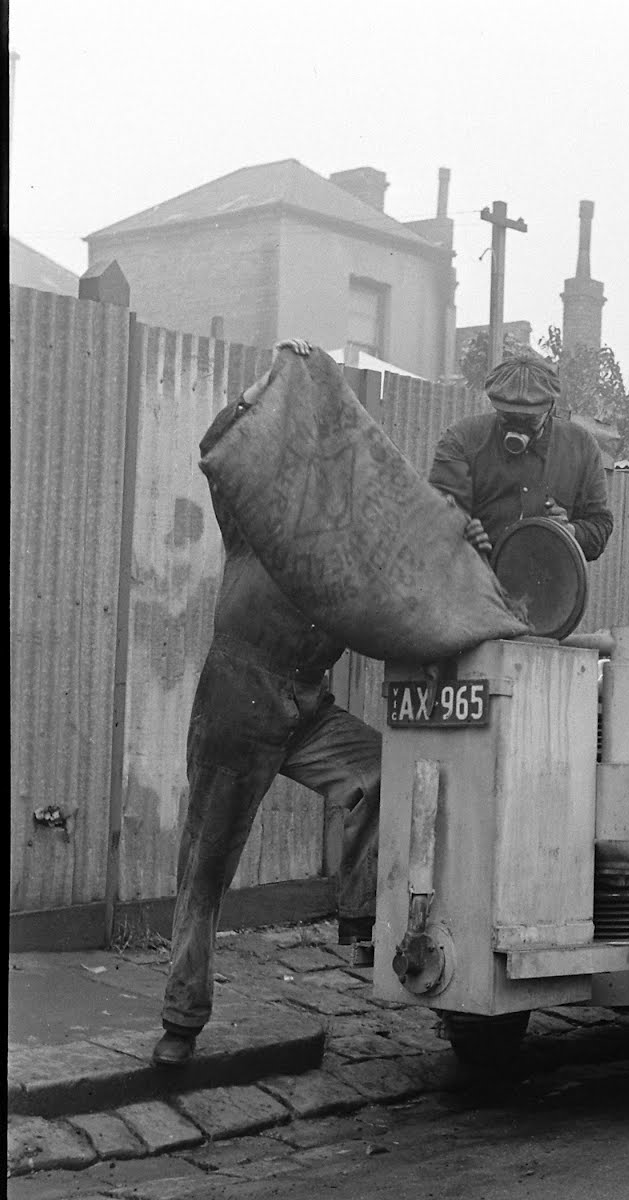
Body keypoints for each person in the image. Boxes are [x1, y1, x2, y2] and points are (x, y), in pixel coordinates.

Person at [153, 339, 381, 1067]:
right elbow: (216, 447)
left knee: (383, 776)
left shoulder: (351, 566)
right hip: (235, 708)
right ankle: (181, 1022)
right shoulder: (253, 524)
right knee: (207, 865)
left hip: (304, 709)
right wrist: (261, 395)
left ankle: (356, 920)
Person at [429, 350, 614, 564]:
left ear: (550, 408)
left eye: (529, 419)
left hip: (548, 589)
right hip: (475, 585)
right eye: (508, 417)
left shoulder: (581, 446)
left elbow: (600, 526)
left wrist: (570, 531)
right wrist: (460, 530)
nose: (519, 426)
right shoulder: (461, 441)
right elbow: (435, 515)